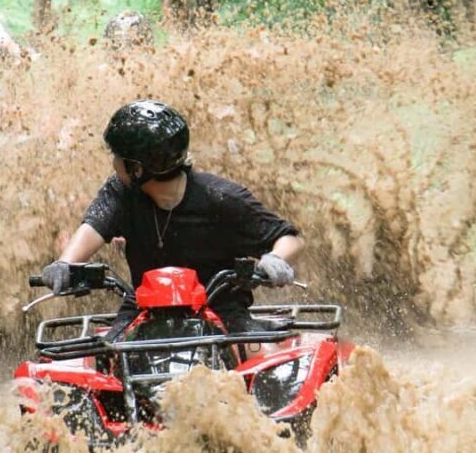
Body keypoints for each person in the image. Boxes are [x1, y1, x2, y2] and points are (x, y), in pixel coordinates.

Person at [40, 100, 304, 334]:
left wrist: (275, 260)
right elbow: (93, 227)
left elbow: (289, 238)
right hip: (144, 307)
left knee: (256, 374)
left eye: (117, 157)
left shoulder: (221, 198)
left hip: (220, 307)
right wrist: (65, 264)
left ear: (137, 169)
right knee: (107, 361)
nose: (113, 163)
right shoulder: (120, 192)